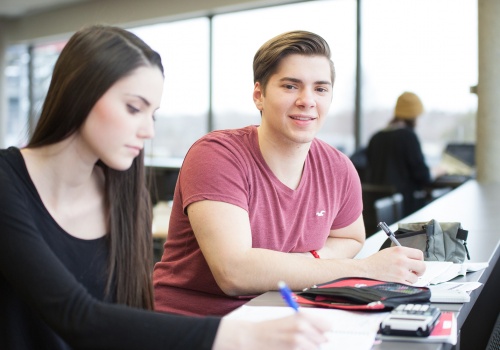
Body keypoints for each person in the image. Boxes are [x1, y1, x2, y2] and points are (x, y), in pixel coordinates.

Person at [0, 25, 332, 350]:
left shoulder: (122, 194)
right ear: (79, 94)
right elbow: (77, 318)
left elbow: (127, 317)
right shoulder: (6, 180)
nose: (148, 131)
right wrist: (243, 336)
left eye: (153, 114)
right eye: (133, 108)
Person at [153, 30, 426, 317]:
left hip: (285, 314)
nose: (308, 100)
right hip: (197, 323)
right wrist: (365, 269)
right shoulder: (216, 155)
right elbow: (234, 273)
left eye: (320, 89)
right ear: (259, 95)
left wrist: (306, 261)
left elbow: (351, 238)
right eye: (291, 86)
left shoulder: (339, 168)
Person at [365, 91, 433, 216]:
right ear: (413, 116)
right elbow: (423, 176)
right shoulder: (408, 136)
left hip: (377, 209)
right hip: (404, 207)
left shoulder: (376, 137)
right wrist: (437, 171)